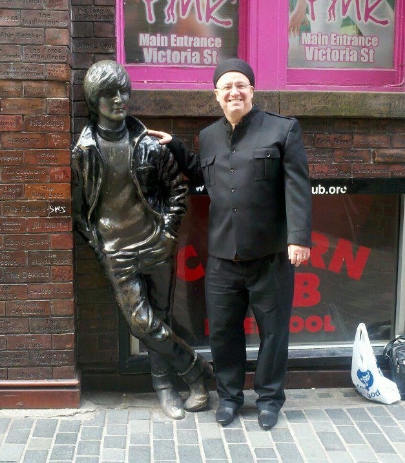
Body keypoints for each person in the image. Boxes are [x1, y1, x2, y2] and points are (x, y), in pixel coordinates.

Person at [150, 58, 312, 430]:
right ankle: (229, 398)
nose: (234, 92)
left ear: (252, 90)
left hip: (271, 255)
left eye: (241, 85)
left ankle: (269, 400)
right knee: (224, 333)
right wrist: (175, 146)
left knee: (273, 334)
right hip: (223, 257)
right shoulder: (208, 136)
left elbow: (298, 186)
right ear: (216, 95)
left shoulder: (283, 129)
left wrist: (298, 238)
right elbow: (201, 173)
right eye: (227, 87)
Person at [70, 60, 213, 420]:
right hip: (116, 250)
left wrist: (168, 234)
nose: (119, 99)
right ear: (94, 101)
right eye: (109, 94)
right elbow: (78, 210)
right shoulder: (84, 152)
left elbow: (177, 191)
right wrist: (100, 247)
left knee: (159, 319)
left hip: (156, 245)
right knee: (141, 323)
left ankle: (165, 388)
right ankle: (196, 369)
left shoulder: (149, 146)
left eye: (123, 91)